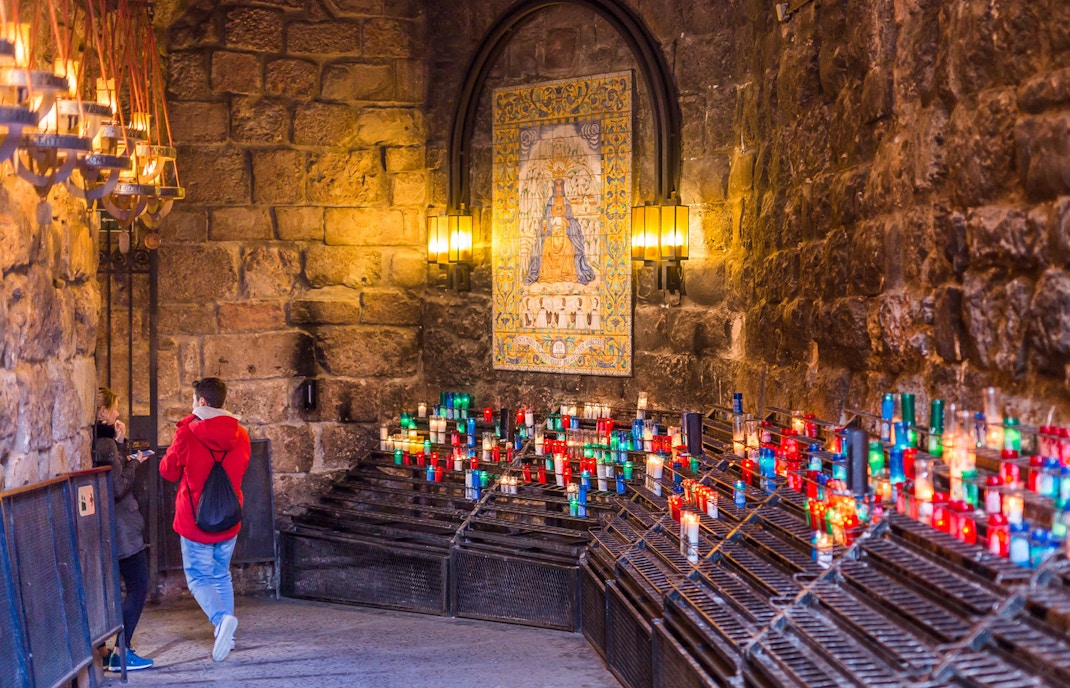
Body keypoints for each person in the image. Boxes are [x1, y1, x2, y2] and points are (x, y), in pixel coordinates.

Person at [159, 378, 250, 662]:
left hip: (195, 522)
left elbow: (168, 471)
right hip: (228, 520)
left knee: (198, 577)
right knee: (221, 574)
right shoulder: (242, 435)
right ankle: (228, 636)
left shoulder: (188, 433)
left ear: (201, 402)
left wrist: (185, 428)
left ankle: (222, 620)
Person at [93, 387, 153, 672]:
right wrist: (136, 464)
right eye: (114, 408)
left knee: (120, 589)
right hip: (123, 529)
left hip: (113, 528)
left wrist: (121, 443)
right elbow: (117, 486)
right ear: (103, 411)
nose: (117, 413)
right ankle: (122, 652)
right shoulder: (104, 447)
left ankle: (110, 650)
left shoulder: (103, 443)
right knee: (139, 586)